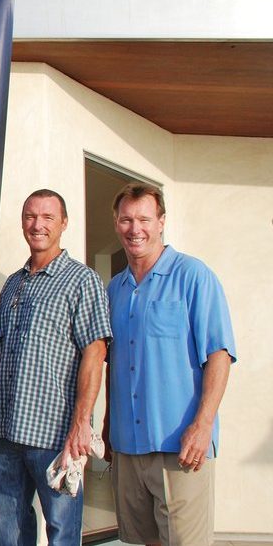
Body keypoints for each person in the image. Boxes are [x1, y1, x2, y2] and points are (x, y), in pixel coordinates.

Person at [105, 183, 235, 546]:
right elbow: (113, 363)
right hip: (128, 448)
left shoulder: (194, 276)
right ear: (116, 224)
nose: (136, 229)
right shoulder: (114, 289)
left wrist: (203, 423)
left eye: (144, 219)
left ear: (161, 222)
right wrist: (106, 426)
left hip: (181, 447)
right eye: (127, 220)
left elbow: (219, 355)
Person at [0, 189, 112, 546]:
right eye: (30, 216)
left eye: (47, 217)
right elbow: (3, 351)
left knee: (61, 532)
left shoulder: (82, 280)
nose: (37, 225)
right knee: (9, 534)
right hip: (5, 434)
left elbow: (95, 352)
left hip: (55, 435)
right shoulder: (13, 283)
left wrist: (81, 424)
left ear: (64, 223)